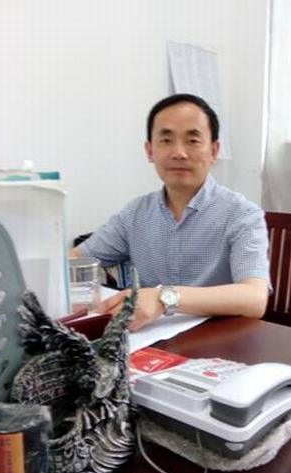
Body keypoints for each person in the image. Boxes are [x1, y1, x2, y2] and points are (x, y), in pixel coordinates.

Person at [72, 94, 269, 331]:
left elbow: (255, 298)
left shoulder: (242, 214)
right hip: (148, 339)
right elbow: (76, 259)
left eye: (192, 140)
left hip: (219, 338)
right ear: (149, 151)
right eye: (166, 140)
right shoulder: (135, 214)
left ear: (214, 151)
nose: (179, 153)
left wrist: (163, 298)